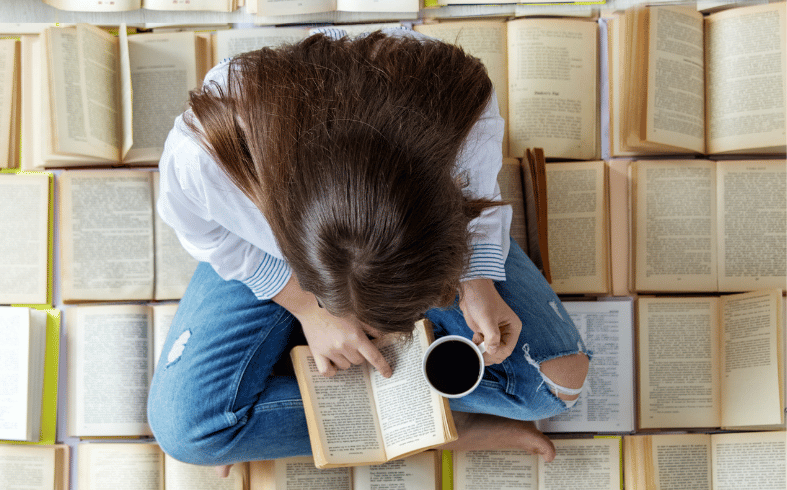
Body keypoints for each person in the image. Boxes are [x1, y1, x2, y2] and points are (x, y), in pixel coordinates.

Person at [147, 27, 590, 473]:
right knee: (191, 432)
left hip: (407, 234)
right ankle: (429, 428)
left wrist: (477, 277)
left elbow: (475, 192)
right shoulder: (203, 154)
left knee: (554, 385)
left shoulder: (456, 104)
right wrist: (308, 308)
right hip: (269, 262)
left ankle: (413, 421)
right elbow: (209, 235)